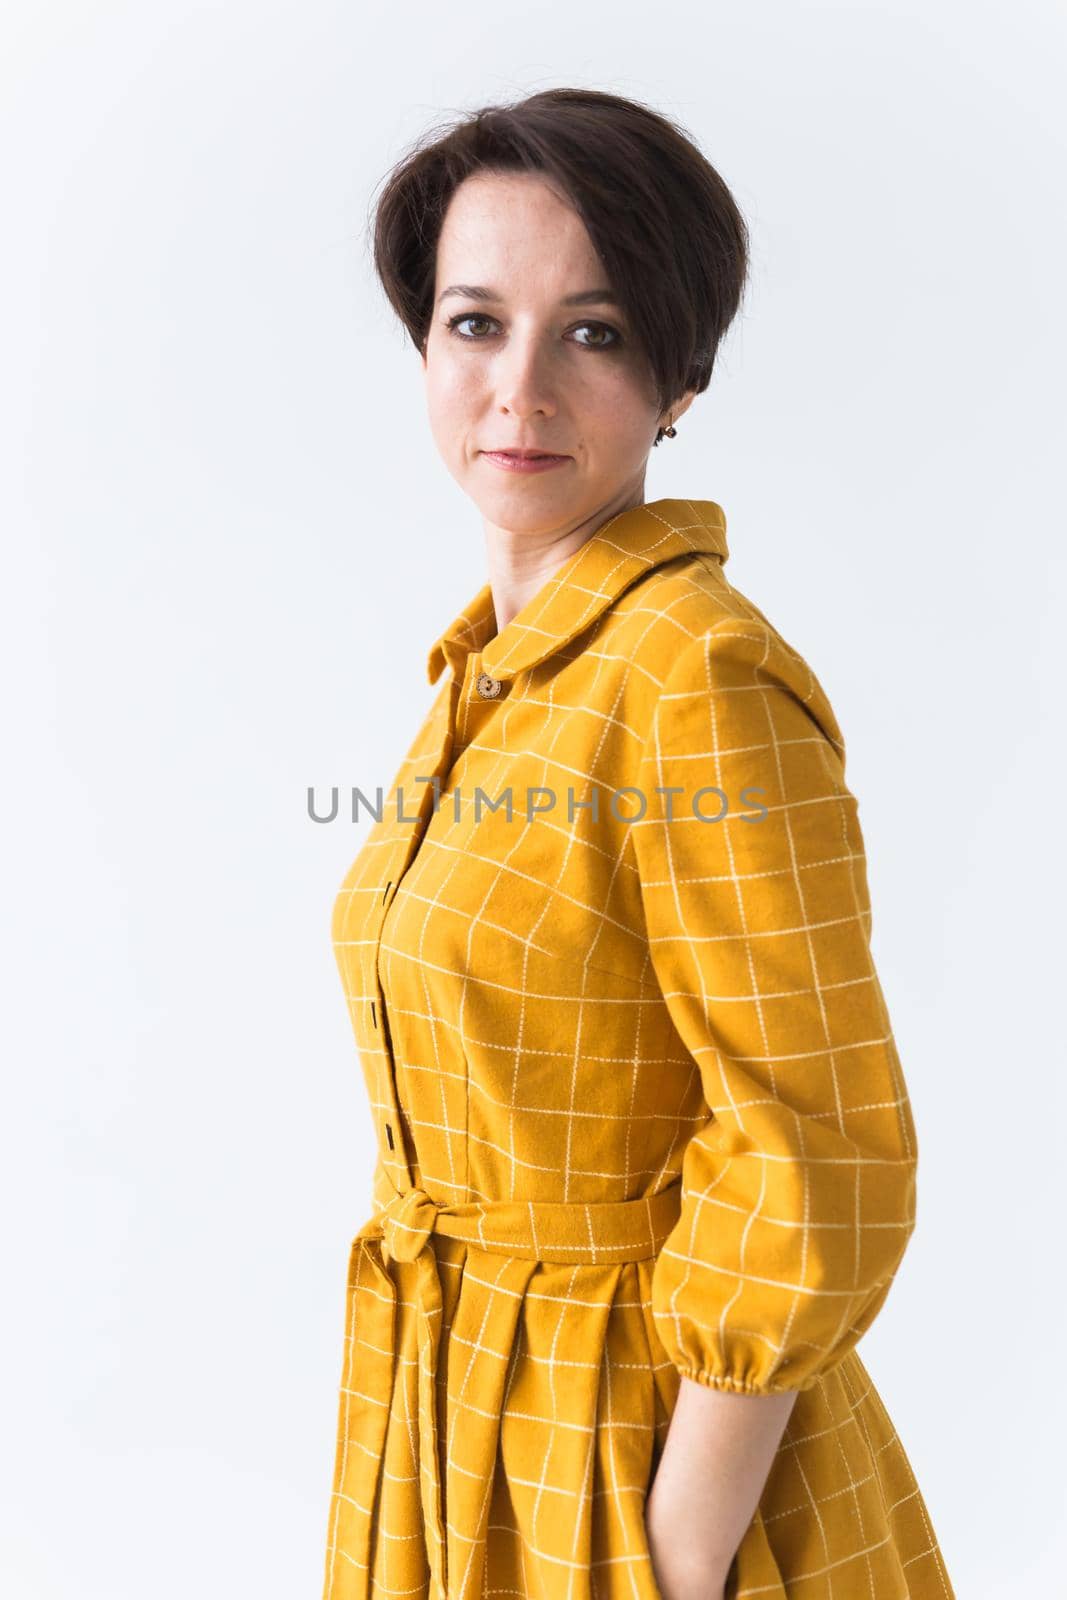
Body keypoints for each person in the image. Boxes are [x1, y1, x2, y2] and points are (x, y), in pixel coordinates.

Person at [320, 87, 955, 1600]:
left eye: (592, 333)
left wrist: (670, 1552)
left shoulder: (695, 675)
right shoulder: (490, 678)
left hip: (647, 1466)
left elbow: (816, 1158)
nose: (520, 388)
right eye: (475, 323)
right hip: (457, 1428)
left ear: (680, 377)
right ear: (423, 346)